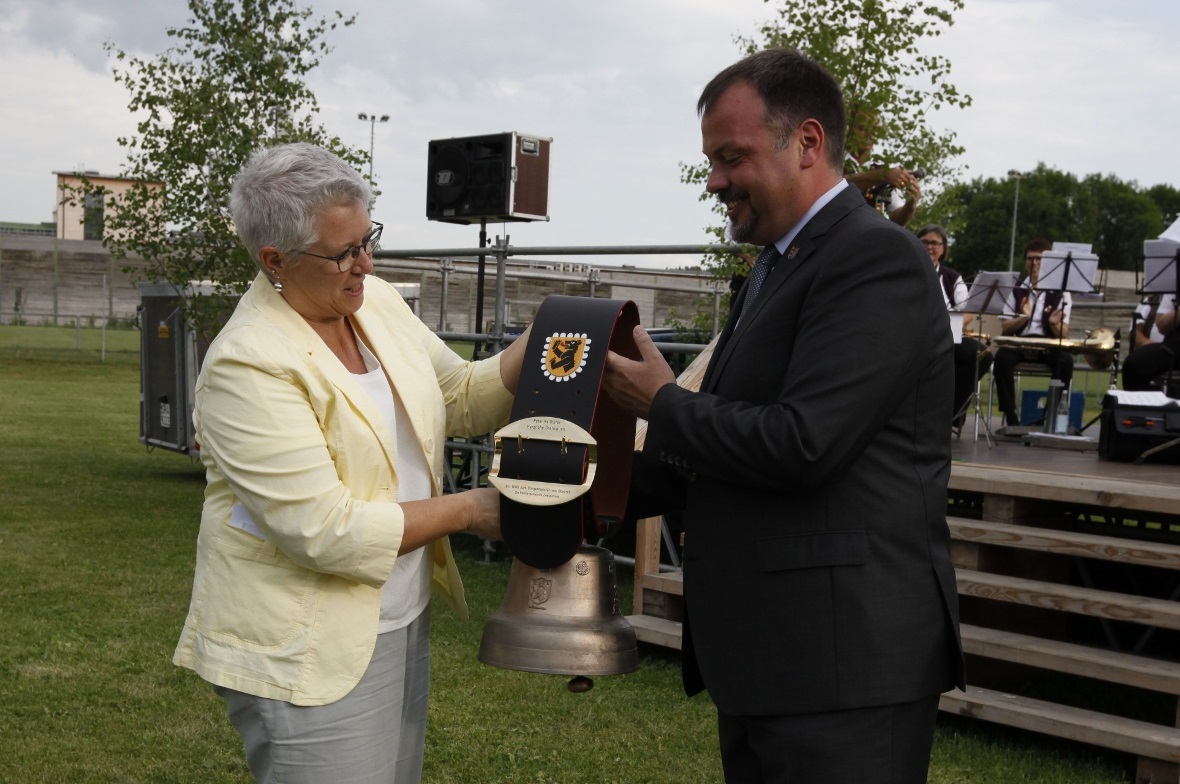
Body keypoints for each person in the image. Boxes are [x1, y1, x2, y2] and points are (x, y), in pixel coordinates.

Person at [604, 48, 964, 783]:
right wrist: (585, 481)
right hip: (778, 663)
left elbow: (803, 445)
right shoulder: (775, 268)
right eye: (711, 159)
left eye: (731, 157)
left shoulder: (877, 259)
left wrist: (663, 402)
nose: (714, 182)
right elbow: (720, 451)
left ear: (806, 143)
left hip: (844, 672)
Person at [172, 142, 531, 784]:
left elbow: (458, 397)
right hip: (304, 646)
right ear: (275, 260)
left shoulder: (376, 303)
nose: (365, 264)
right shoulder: (246, 363)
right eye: (344, 252)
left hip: (397, 615)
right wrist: (472, 509)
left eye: (369, 239)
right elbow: (326, 530)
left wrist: (551, 336)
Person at [916, 224, 994, 427]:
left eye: (935, 243)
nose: (930, 247)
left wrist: (953, 323)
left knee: (981, 355)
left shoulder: (953, 277)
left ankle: (950, 414)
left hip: (948, 336)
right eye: (924, 242)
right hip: (918, 337)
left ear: (943, 249)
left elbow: (968, 309)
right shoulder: (911, 271)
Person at [992, 238, 1072, 428]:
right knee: (1002, 358)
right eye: (1030, 259)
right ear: (1025, 261)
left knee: (1065, 360)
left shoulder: (1061, 292)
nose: (1034, 263)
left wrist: (1052, 324)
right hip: (1020, 341)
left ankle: (1049, 416)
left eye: (1039, 259)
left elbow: (1064, 333)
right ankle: (1011, 416)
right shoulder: (1016, 289)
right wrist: (1023, 318)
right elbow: (1005, 328)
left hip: (1047, 343)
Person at [1123, 292, 1179, 392]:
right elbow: (1161, 326)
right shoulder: (1172, 289)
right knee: (1134, 364)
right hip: (1175, 345)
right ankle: (1151, 403)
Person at [846, 163, 922, 226]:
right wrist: (882, 175)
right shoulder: (838, 159)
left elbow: (897, 220)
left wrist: (910, 205)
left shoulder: (877, 165)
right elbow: (837, 185)